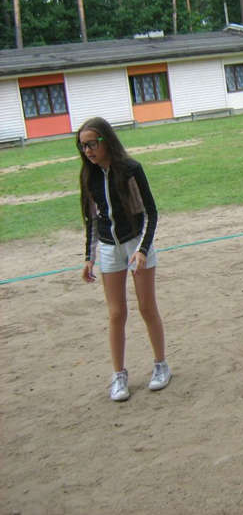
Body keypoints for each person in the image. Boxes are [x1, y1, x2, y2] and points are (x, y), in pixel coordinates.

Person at [78, 117, 171, 401]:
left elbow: (151, 213)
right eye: (83, 146)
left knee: (146, 307)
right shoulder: (90, 175)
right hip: (109, 249)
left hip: (135, 242)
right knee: (116, 313)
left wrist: (142, 249)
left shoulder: (130, 169)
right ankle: (119, 375)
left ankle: (161, 365)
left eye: (92, 144)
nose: (88, 151)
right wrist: (89, 257)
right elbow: (92, 219)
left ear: (106, 141)